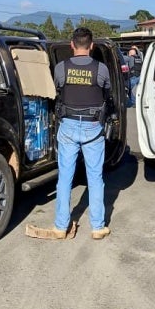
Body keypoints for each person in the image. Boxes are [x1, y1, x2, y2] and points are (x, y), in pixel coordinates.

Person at [28, 27, 112, 241]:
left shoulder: (61, 68)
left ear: (72, 45)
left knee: (64, 177)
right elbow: (107, 92)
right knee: (95, 178)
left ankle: (60, 226)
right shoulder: (101, 69)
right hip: (93, 127)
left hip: (68, 126)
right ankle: (97, 227)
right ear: (91, 46)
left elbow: (56, 90)